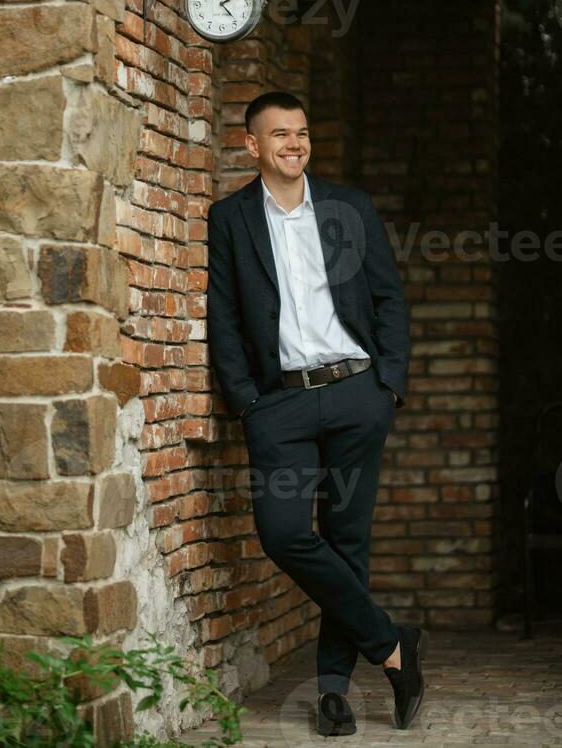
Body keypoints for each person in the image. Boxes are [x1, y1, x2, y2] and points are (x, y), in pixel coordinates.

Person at [206, 91, 428, 735]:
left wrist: (388, 385)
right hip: (279, 403)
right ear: (253, 146)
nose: (294, 144)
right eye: (279, 135)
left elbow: (389, 298)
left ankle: (333, 692)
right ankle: (392, 646)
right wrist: (246, 398)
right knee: (283, 533)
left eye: (301, 133)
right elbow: (222, 315)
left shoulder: (348, 208)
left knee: (346, 540)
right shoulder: (231, 218)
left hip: (358, 393)